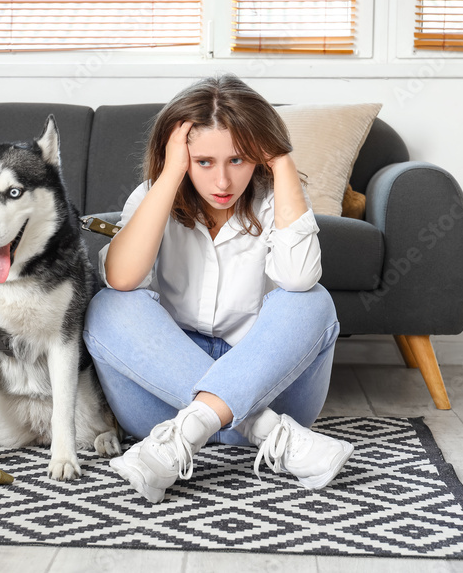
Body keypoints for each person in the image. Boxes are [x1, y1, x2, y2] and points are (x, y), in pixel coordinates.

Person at [82, 74, 352, 503]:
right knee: (109, 304)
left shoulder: (273, 197)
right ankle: (264, 432)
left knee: (312, 298)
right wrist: (170, 174)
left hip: (270, 387)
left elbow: (299, 277)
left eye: (239, 160)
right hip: (162, 403)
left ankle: (190, 436)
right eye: (204, 161)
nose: (222, 182)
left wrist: (283, 163)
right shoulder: (155, 195)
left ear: (259, 158)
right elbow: (122, 279)